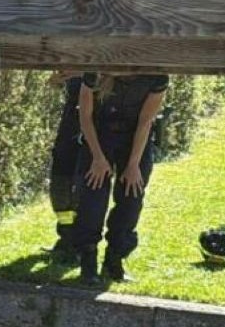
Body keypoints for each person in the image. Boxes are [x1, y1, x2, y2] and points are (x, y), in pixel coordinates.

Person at [73, 72, 169, 285]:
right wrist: (98, 157)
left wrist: (133, 164)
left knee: (131, 197)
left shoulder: (156, 77)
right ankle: (88, 261)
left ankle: (114, 259)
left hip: (135, 138)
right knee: (92, 198)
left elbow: (145, 122)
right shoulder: (94, 74)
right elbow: (85, 116)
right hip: (98, 135)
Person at [46, 72, 85, 263]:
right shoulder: (72, 61)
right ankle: (65, 237)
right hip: (70, 123)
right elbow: (54, 84)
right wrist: (58, 79)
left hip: (95, 122)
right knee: (60, 180)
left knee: (82, 182)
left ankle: (79, 243)